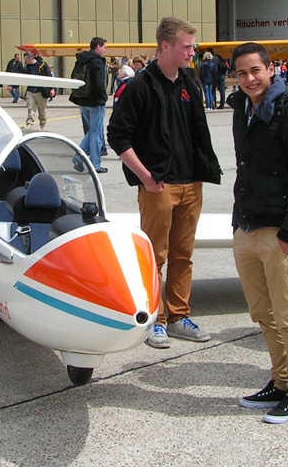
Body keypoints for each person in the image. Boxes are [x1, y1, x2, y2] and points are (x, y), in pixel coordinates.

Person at [107, 17, 222, 349]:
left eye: (192, 46)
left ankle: (177, 316)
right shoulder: (140, 86)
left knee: (183, 255)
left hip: (191, 183)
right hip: (158, 186)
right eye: (187, 46)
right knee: (155, 256)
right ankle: (154, 319)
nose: (192, 52)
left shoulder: (190, 81)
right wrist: (145, 177)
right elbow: (117, 135)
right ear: (165, 46)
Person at [229, 42, 288, 424]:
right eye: (242, 73)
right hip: (247, 226)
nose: (250, 79)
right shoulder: (241, 110)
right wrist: (237, 225)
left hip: (278, 230)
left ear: (271, 70)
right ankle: (279, 381)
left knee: (287, 315)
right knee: (262, 313)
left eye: (256, 71)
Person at [70, 37, 109, 173]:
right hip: (95, 101)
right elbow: (99, 82)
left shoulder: (81, 59)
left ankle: (79, 158)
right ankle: (94, 163)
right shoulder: (97, 62)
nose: (105, 50)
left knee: (91, 132)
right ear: (98, 47)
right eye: (104, 47)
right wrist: (103, 97)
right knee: (95, 133)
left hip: (82, 100)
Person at [22, 50, 53, 130]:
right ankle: (29, 123)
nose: (26, 61)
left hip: (41, 91)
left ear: (32, 57)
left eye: (27, 59)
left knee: (41, 110)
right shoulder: (26, 68)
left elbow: (49, 78)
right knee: (30, 108)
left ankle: (43, 125)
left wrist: (52, 89)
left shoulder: (43, 66)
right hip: (30, 91)